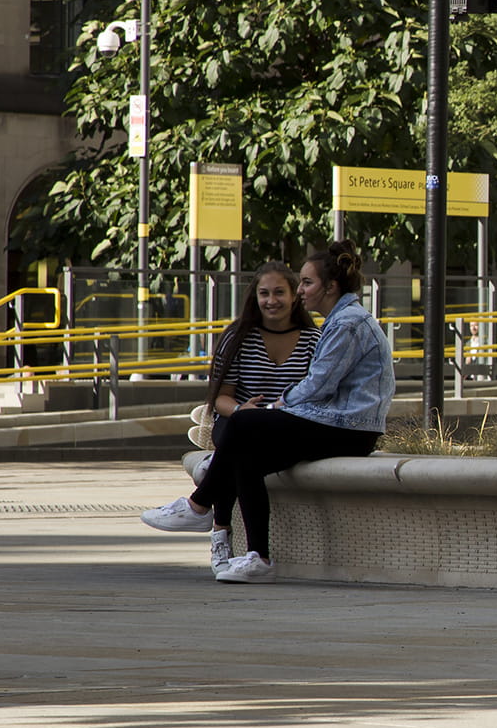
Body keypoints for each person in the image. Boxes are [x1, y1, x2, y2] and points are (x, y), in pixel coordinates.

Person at [140, 241, 396, 585]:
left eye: (306, 283)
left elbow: (319, 384)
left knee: (245, 422)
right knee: (248, 458)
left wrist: (277, 405)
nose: (300, 290)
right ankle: (258, 557)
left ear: (330, 287)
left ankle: (200, 505)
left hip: (348, 427)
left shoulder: (346, 323)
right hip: (336, 423)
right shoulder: (337, 321)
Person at [189, 262, 322, 577]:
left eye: (279, 292)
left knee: (233, 454)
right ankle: (222, 537)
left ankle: (209, 514)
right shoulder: (238, 337)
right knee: (238, 437)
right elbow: (220, 398)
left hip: (287, 424)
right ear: (255, 297)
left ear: (294, 297)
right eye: (264, 293)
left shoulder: (314, 339)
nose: (271, 300)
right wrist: (239, 410)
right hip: (239, 418)